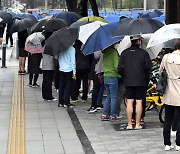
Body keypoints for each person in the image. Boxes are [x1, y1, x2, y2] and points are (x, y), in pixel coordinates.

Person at [119, 35, 152, 129]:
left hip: (128, 81)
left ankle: (129, 124)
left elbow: (120, 68)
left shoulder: (124, 53)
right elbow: (148, 67)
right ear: (138, 41)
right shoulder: (144, 53)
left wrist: (125, 76)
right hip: (141, 81)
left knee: (129, 102)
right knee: (139, 102)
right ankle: (137, 124)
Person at [161, 41, 180, 151]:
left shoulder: (166, 57)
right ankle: (178, 143)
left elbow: (160, 72)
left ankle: (167, 144)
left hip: (168, 91)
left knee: (168, 119)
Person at [101, 45, 121, 121]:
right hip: (113, 76)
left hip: (106, 76)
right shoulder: (113, 52)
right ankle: (113, 115)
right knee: (113, 97)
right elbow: (116, 66)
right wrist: (119, 74)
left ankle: (104, 114)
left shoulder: (105, 52)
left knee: (109, 96)